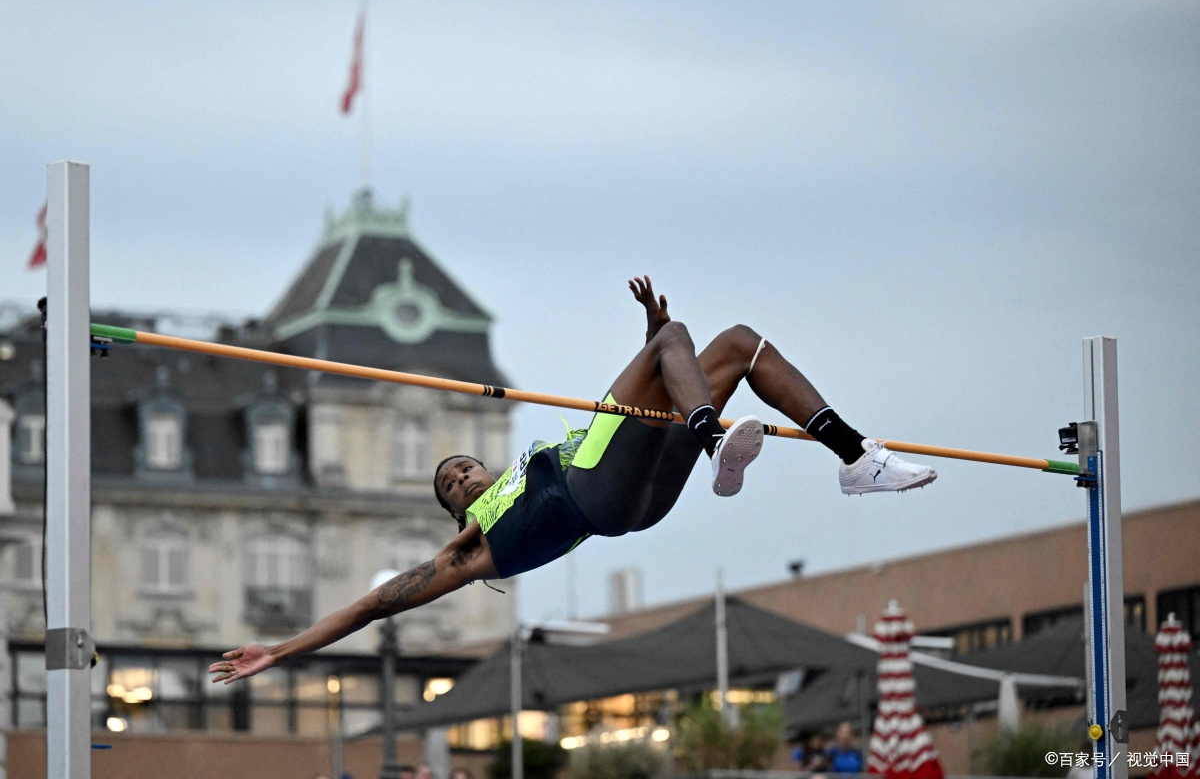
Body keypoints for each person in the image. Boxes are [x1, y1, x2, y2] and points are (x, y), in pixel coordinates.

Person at [208, 276, 935, 685]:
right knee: (670, 346)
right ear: (456, 512)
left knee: (736, 344)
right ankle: (712, 439)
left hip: (627, 483)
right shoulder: (473, 549)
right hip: (595, 493)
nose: (463, 474)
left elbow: (624, 415)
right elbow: (371, 607)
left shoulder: (530, 458)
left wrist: (654, 348)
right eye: (452, 485)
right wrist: (281, 649)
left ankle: (853, 458)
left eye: (464, 465)